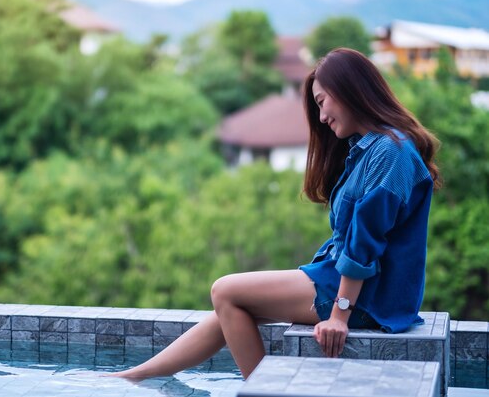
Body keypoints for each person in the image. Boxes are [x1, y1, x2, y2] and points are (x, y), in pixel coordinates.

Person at [112, 47, 441, 380]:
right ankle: (132, 378)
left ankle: (262, 390)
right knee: (229, 308)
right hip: (346, 282)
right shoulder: (371, 148)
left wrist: (340, 315)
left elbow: (364, 243)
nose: (322, 117)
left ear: (348, 91)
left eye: (321, 101)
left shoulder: (390, 152)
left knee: (224, 291)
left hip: (370, 298)